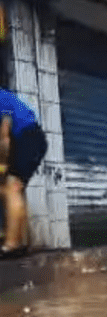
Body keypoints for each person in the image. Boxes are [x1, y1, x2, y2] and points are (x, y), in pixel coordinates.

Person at [0, 88, 48, 256]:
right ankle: (19, 242)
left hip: (29, 139)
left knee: (12, 186)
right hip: (31, 141)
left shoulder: (1, 97)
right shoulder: (6, 96)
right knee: (14, 189)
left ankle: (10, 244)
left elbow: (4, 137)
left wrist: (3, 166)